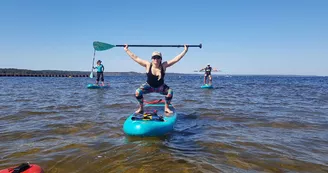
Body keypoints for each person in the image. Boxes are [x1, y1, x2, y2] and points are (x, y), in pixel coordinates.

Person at [124, 44, 188, 114]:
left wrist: (185, 50)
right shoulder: (148, 64)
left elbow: (176, 59)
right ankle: (141, 108)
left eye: (158, 57)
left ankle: (166, 108)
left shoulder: (164, 65)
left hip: (160, 87)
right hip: (149, 86)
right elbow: (135, 58)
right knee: (137, 92)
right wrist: (127, 50)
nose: (156, 59)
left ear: (161, 59)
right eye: (154, 57)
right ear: (152, 59)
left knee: (170, 92)